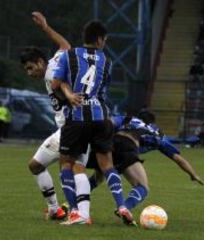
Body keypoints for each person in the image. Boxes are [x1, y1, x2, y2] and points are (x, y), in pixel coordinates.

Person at [52, 20, 135, 226]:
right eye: (104, 40)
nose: (104, 43)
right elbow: (103, 91)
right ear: (99, 40)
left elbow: (55, 84)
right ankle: (122, 205)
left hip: (77, 118)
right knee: (107, 165)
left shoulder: (69, 56)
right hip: (101, 118)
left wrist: (68, 93)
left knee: (67, 163)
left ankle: (75, 212)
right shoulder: (107, 61)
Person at [20, 11, 77, 221]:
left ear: (40, 62)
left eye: (30, 67)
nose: (29, 73)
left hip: (70, 129)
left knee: (67, 168)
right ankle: (57, 209)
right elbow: (65, 46)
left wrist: (70, 97)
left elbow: (64, 88)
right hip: (71, 128)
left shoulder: (53, 74)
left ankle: (74, 211)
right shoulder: (55, 61)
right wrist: (45, 27)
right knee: (38, 166)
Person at [87, 115, 204, 214]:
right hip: (128, 146)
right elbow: (178, 159)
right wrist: (193, 175)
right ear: (153, 122)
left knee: (98, 176)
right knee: (142, 187)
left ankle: (75, 202)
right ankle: (124, 208)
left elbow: (109, 121)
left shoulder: (129, 119)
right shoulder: (157, 135)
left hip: (110, 143)